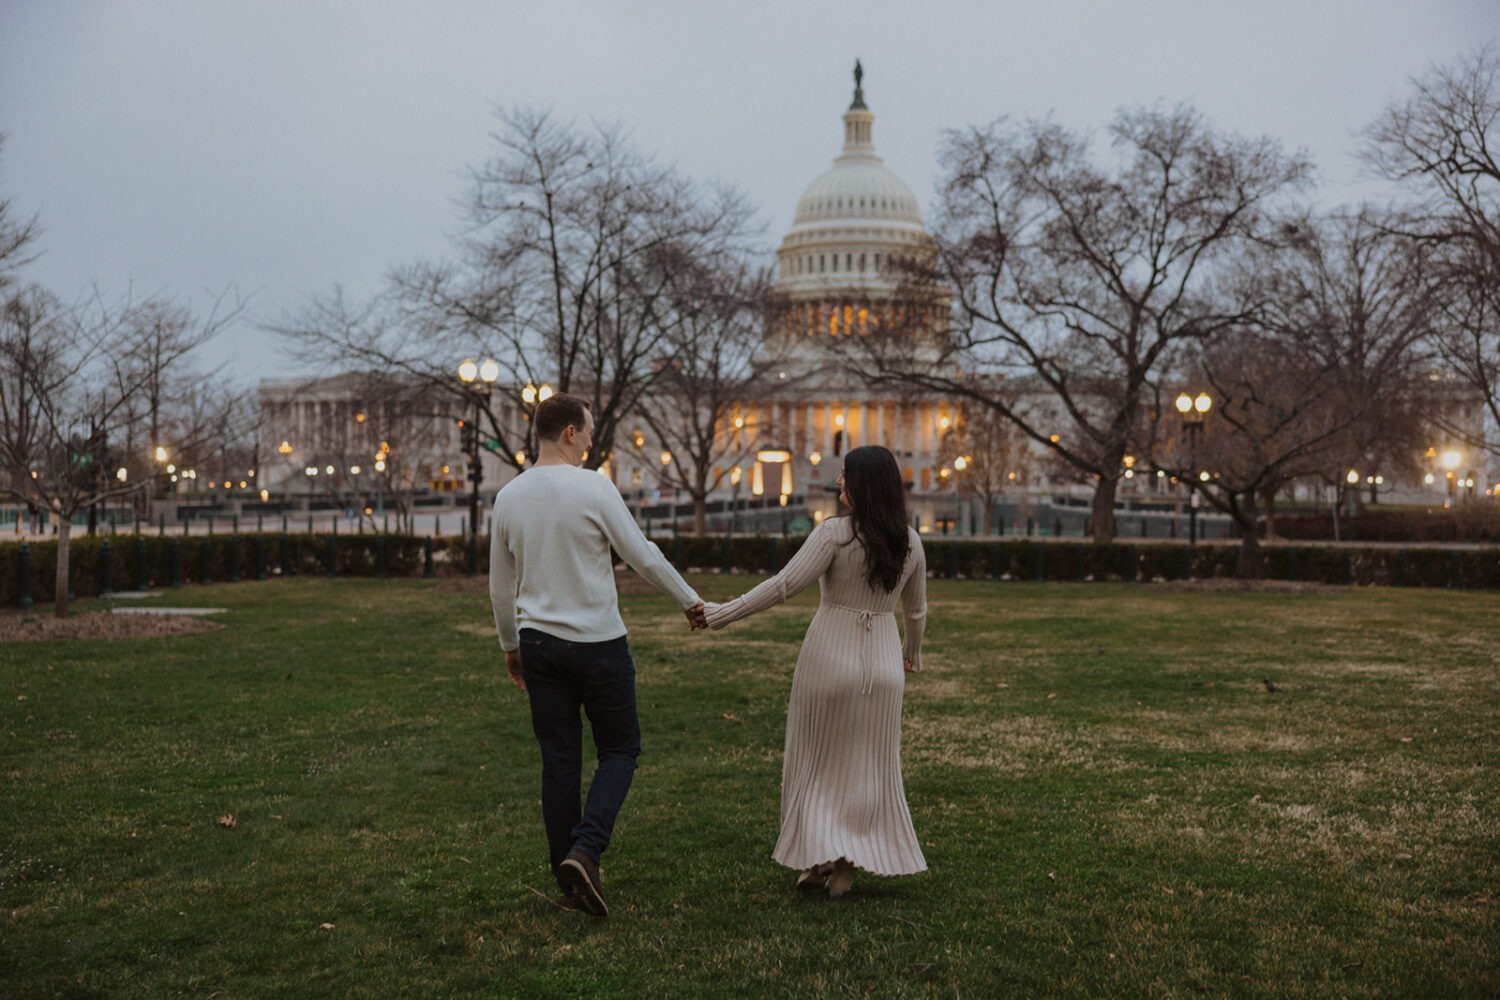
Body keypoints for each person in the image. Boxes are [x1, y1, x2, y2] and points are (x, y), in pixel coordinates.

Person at [489, 392, 707, 917]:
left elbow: (501, 587)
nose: (591, 442)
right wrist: (689, 600)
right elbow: (641, 555)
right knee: (621, 749)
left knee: (559, 759)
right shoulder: (593, 487)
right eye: (587, 432)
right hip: (598, 643)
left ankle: (569, 880)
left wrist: (510, 646)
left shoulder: (508, 497)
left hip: (538, 642)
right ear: (568, 433)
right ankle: (586, 851)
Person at [702, 445, 927, 898]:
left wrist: (720, 613)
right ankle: (845, 865)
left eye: (844, 476)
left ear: (861, 484)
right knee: (869, 767)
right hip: (883, 665)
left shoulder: (834, 536)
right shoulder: (910, 541)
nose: (839, 482)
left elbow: (783, 585)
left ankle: (816, 857)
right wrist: (912, 653)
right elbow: (917, 610)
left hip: (828, 657)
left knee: (816, 760)